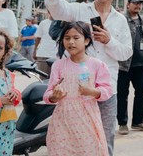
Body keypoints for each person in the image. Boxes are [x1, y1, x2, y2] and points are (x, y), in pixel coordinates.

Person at [38, 0, 132, 156]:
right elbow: (59, 10)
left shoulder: (120, 20)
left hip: (105, 90)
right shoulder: (80, 9)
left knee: (104, 139)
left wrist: (108, 40)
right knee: (73, 137)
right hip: (74, 92)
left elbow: (126, 53)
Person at [44, 21, 112, 156]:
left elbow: (108, 90)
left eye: (76, 38)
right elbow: (48, 94)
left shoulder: (97, 65)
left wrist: (93, 92)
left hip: (87, 120)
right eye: (67, 38)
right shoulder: (58, 65)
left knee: (89, 150)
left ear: (86, 41)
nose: (71, 42)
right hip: (62, 121)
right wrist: (54, 96)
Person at [117, 0, 143, 134]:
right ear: (128, 4)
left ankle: (138, 122)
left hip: (141, 62)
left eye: (140, 3)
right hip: (124, 63)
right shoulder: (121, 19)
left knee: (142, 92)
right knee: (122, 93)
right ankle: (122, 123)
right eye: (135, 3)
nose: (138, 6)